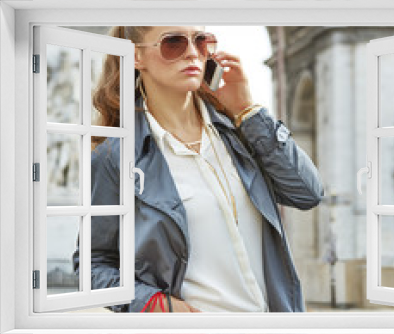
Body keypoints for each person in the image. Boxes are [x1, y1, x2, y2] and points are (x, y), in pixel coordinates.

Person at [73, 25, 324, 313]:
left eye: (201, 41)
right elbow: (92, 266)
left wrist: (247, 109)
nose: (192, 53)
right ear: (136, 56)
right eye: (173, 43)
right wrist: (156, 305)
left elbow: (307, 193)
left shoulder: (241, 132)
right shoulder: (115, 157)